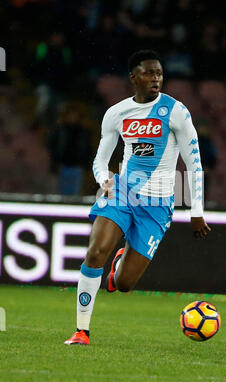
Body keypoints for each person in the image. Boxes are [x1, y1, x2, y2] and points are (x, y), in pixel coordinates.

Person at [64, 49, 211, 346]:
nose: (155, 78)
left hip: (158, 206)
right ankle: (82, 330)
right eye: (148, 73)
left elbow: (194, 164)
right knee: (95, 252)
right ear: (133, 78)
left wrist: (197, 211)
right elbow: (100, 159)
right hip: (122, 192)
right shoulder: (117, 113)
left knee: (125, 284)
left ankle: (120, 265)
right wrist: (103, 180)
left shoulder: (176, 112)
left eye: (159, 73)